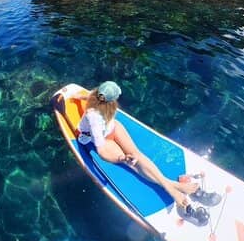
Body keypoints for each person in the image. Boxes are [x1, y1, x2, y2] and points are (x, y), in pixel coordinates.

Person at [78, 81, 215, 223]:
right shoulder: (93, 117)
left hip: (113, 127)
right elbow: (101, 149)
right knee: (133, 164)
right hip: (101, 140)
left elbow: (91, 96)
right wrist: (121, 158)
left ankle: (175, 187)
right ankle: (176, 189)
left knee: (138, 155)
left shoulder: (99, 97)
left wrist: (76, 97)